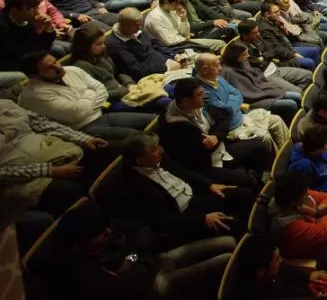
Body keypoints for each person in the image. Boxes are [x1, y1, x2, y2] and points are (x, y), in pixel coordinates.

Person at [51, 201, 234, 300]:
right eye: (100, 233)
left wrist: (131, 257)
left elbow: (141, 232)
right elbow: (131, 287)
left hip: (155, 260)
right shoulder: (85, 274)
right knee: (226, 260)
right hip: (153, 285)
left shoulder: (103, 231)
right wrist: (134, 255)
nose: (107, 232)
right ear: (83, 241)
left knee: (229, 241)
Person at [110, 132, 255, 249]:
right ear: (140, 160)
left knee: (245, 194)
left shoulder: (159, 159)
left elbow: (186, 173)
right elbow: (162, 220)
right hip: (185, 218)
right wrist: (203, 219)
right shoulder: (133, 186)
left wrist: (209, 185)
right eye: (154, 149)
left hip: (196, 197)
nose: (161, 150)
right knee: (234, 225)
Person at [0, 98, 109, 226]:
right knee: (70, 192)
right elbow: (3, 172)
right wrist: (50, 171)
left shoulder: (6, 104)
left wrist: (83, 138)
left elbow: (44, 124)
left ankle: (112, 217)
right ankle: (90, 232)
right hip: (17, 180)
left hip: (49, 151)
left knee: (97, 151)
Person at [17, 51, 155, 140]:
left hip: (101, 114)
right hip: (82, 129)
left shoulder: (71, 70)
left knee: (155, 120)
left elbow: (102, 90)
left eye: (55, 61)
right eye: (50, 67)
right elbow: (75, 114)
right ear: (34, 75)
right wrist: (89, 92)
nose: (58, 67)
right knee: (140, 139)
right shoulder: (33, 95)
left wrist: (84, 103)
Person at [159, 78, 270, 182]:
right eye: (199, 94)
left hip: (221, 148)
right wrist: (216, 137)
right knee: (247, 181)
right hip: (205, 165)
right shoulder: (174, 125)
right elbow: (202, 151)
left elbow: (224, 120)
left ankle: (264, 179)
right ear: (186, 101)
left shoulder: (201, 105)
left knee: (260, 147)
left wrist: (216, 136)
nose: (204, 96)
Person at [195, 53, 288, 152]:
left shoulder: (218, 78)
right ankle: (279, 163)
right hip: (231, 128)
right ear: (205, 69)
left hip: (242, 117)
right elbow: (228, 110)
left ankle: (288, 152)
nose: (221, 68)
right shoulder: (200, 91)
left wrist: (231, 102)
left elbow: (237, 93)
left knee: (276, 120)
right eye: (217, 65)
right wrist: (234, 101)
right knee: (265, 137)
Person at [236, 235, 327, 299]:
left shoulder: (268, 273)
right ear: (260, 272)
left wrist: (308, 275)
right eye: (277, 259)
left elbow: (284, 267)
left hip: (311, 287)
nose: (281, 260)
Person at [220, 41, 302, 123]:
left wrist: (265, 88)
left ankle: (299, 121)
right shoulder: (228, 72)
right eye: (244, 54)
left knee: (297, 96)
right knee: (291, 104)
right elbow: (243, 94)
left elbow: (256, 75)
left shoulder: (242, 62)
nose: (248, 56)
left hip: (261, 90)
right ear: (236, 56)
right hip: (254, 101)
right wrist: (263, 92)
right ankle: (291, 125)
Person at [144, 0, 226, 54]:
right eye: (175, 4)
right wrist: (187, 39)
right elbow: (170, 41)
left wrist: (183, 19)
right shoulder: (155, 18)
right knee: (219, 44)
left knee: (221, 42)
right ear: (166, 2)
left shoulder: (171, 10)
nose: (177, 6)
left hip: (182, 42)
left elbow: (185, 33)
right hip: (173, 48)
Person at [0, 0, 57, 72]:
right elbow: (22, 54)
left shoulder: (28, 18)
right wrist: (37, 32)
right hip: (9, 63)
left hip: (29, 54)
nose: (36, 13)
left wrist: (48, 27)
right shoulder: (3, 27)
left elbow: (46, 44)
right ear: (14, 10)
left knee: (58, 52)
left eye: (36, 8)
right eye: (30, 9)